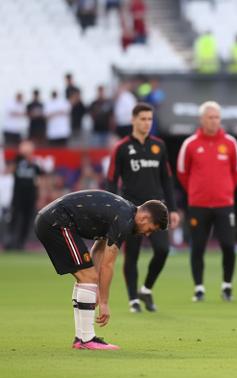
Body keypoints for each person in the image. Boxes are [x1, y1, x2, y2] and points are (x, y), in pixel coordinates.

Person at [34, 190, 168, 350]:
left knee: (87, 278)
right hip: (56, 223)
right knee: (88, 277)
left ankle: (81, 338)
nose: (147, 234)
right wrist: (104, 302)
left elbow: (98, 249)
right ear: (144, 218)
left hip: (51, 220)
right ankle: (87, 339)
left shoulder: (124, 212)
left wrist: (94, 287)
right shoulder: (124, 220)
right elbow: (107, 264)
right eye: (151, 229)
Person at [107, 103, 179, 312]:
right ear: (133, 120)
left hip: (156, 210)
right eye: (143, 119)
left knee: (163, 250)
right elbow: (111, 179)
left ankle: (146, 289)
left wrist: (173, 209)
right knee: (132, 255)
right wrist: (113, 208)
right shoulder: (121, 147)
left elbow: (167, 179)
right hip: (132, 210)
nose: (147, 123)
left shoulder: (159, 146)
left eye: (149, 119)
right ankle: (133, 300)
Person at [177, 101, 237, 302]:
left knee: (228, 245)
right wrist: (196, 191)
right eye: (210, 117)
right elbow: (182, 172)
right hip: (198, 205)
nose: (214, 121)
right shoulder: (190, 144)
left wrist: (225, 190)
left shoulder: (230, 142)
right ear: (202, 119)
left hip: (224, 204)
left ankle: (227, 286)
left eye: (217, 117)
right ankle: (199, 288)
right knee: (197, 247)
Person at [4, 140, 42, 250]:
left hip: (30, 197)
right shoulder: (17, 162)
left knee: (26, 220)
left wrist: (38, 197)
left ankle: (21, 242)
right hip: (17, 197)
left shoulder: (35, 166)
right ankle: (10, 241)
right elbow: (9, 171)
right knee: (14, 219)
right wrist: (20, 157)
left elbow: (39, 182)